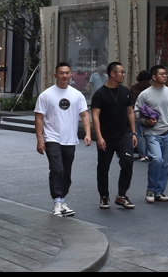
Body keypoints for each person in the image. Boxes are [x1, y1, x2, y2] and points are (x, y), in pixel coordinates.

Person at [35, 61, 92, 217]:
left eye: (67, 73)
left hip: (70, 139)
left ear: (71, 74)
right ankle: (57, 202)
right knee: (57, 169)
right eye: (61, 73)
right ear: (55, 75)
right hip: (52, 137)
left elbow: (84, 114)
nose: (65, 75)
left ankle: (62, 200)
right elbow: (39, 118)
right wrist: (40, 140)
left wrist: (88, 133)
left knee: (66, 172)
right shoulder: (46, 95)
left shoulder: (77, 95)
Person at [92, 61, 138, 210]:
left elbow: (130, 112)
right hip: (106, 136)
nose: (123, 74)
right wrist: (99, 137)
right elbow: (95, 117)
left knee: (127, 162)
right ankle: (104, 196)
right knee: (103, 167)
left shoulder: (125, 91)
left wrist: (133, 133)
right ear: (112, 74)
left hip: (123, 134)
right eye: (121, 72)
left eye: (124, 72)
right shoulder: (100, 94)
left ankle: (121, 196)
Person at [135, 65, 168, 204]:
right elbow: (136, 112)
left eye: (165, 74)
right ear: (154, 77)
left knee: (165, 163)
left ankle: (159, 191)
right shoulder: (145, 94)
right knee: (156, 160)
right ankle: (151, 189)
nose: (165, 76)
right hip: (152, 133)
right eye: (161, 74)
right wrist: (146, 121)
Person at [129, 70, 152, 161]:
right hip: (149, 114)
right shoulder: (151, 88)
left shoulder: (134, 87)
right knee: (148, 134)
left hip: (137, 113)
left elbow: (131, 101)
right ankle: (148, 154)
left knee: (139, 135)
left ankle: (142, 155)